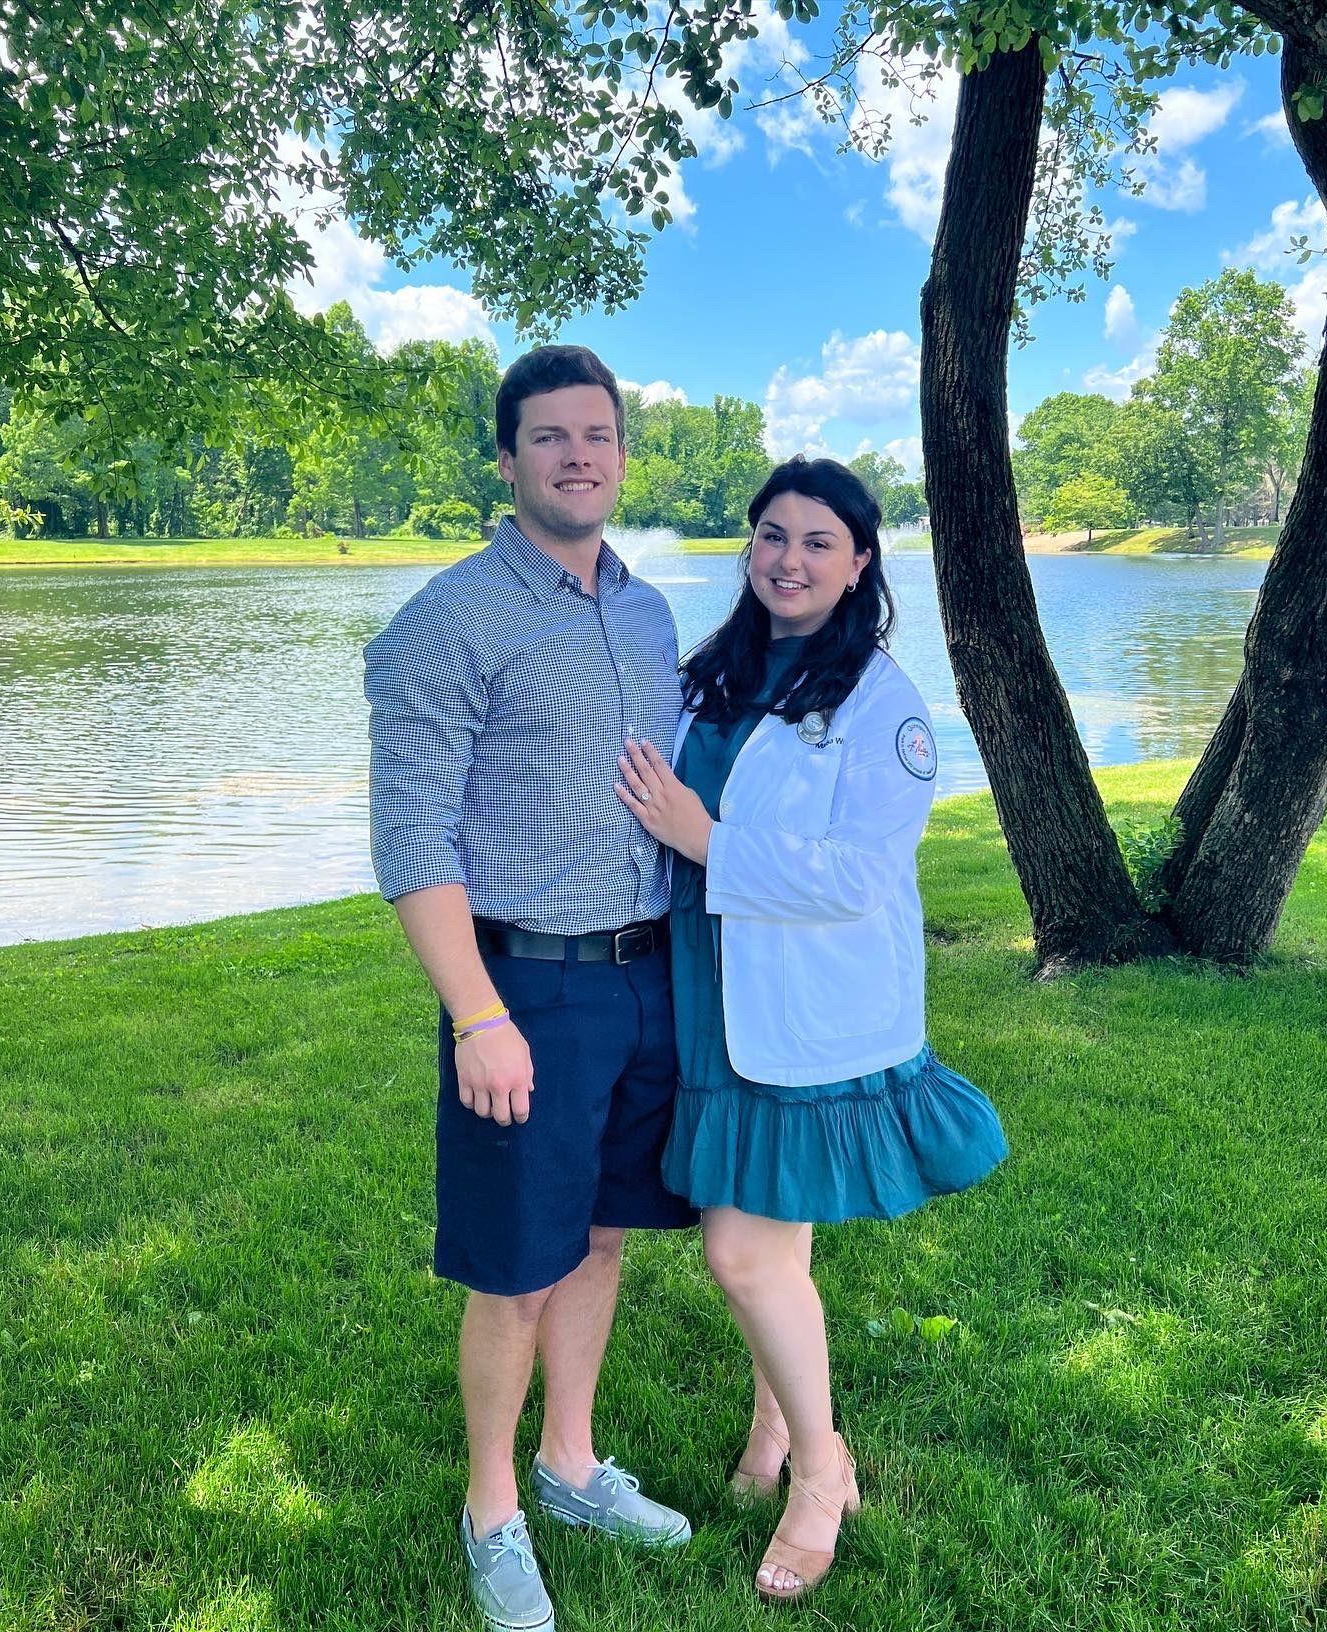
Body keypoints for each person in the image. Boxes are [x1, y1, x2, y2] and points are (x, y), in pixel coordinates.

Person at [614, 455, 1008, 1604]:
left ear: (861, 563)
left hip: (810, 1003)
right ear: (749, 546)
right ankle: (772, 1434)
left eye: (818, 542)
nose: (790, 559)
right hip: (710, 989)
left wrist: (706, 840)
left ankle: (822, 1472)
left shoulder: (882, 703)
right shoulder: (712, 672)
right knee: (776, 1251)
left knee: (742, 1253)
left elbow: (861, 877)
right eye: (772, 535)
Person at [365, 345, 698, 1632]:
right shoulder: (447, 621)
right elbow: (412, 841)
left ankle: (571, 1464)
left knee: (602, 1235)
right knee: (515, 1265)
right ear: (505, 462)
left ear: (621, 453)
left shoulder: (649, 611)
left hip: (641, 977)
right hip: (521, 989)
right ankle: (492, 1506)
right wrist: (478, 1014)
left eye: (598, 435)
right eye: (549, 437)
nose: (577, 455)